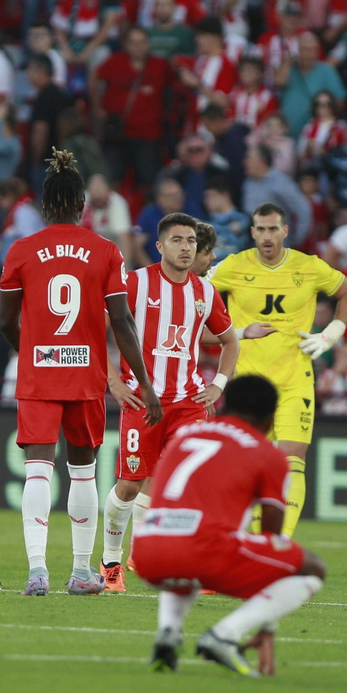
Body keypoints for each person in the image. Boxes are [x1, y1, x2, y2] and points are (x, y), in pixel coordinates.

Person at [0, 148, 162, 596]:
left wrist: (28, 351)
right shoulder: (105, 250)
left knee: (37, 468)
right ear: (82, 205)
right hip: (85, 374)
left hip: (38, 374)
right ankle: (81, 572)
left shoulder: (21, 250)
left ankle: (36, 571)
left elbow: (5, 321)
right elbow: (123, 322)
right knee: (83, 470)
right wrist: (144, 382)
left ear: (46, 205)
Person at [131, 374, 330, 677]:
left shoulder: (185, 437)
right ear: (269, 419)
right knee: (313, 568)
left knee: (185, 555)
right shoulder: (268, 455)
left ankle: (167, 635)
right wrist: (268, 622)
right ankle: (224, 635)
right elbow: (272, 538)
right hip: (202, 549)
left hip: (146, 551)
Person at [99, 213, 240, 591]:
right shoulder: (136, 283)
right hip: (142, 402)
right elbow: (97, 327)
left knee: (196, 482)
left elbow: (229, 340)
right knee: (129, 486)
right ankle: (110, 562)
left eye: (191, 241)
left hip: (188, 403)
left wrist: (219, 384)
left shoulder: (205, 293)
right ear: (160, 246)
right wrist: (113, 381)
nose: (185, 247)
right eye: (177, 240)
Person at [208, 203, 347, 536]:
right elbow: (194, 300)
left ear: (285, 231)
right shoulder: (232, 267)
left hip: (295, 379)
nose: (267, 236)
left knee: (293, 459)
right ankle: (241, 538)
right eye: (260, 229)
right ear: (252, 232)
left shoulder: (308, 267)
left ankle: (275, 542)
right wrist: (232, 334)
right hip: (249, 384)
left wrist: (331, 333)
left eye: (273, 229)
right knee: (245, 465)